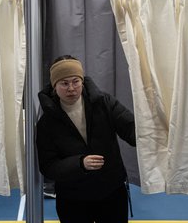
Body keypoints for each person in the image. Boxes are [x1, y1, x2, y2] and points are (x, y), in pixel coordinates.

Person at [36, 55, 136, 223]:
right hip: (73, 198)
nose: (71, 88)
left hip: (111, 192)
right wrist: (80, 163)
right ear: (54, 86)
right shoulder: (47, 123)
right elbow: (48, 166)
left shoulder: (105, 103)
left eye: (75, 81)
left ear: (82, 81)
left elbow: (132, 130)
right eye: (64, 83)